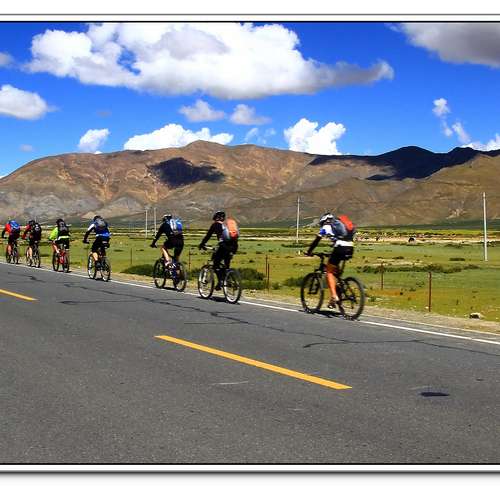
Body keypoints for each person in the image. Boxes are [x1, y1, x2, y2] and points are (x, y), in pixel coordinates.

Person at [305, 212, 355, 308]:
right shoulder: (337, 226)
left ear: (323, 221)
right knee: (336, 272)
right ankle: (338, 293)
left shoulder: (326, 227)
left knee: (329, 272)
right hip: (350, 247)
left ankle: (334, 296)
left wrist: (309, 251)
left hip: (340, 247)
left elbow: (317, 240)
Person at [198, 211, 239, 290]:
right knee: (226, 265)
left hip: (223, 246)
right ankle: (228, 280)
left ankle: (220, 281)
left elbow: (208, 236)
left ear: (216, 218)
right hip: (234, 246)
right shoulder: (227, 225)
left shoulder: (215, 225)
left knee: (216, 264)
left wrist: (202, 244)